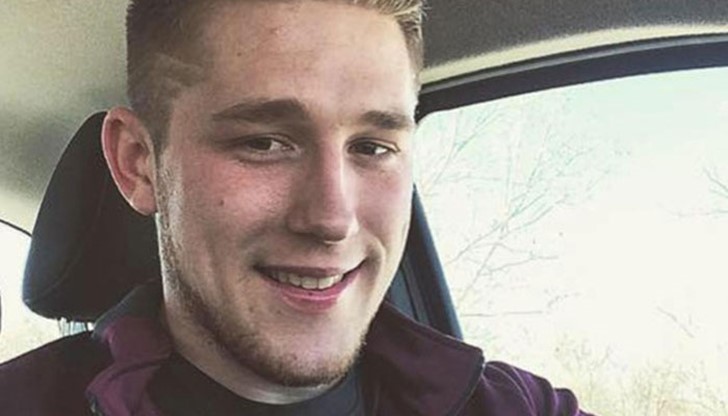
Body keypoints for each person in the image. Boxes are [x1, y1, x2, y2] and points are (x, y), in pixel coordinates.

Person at [0, 1, 594, 414]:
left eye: (372, 147)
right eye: (264, 143)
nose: (333, 218)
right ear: (139, 163)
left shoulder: (514, 406)